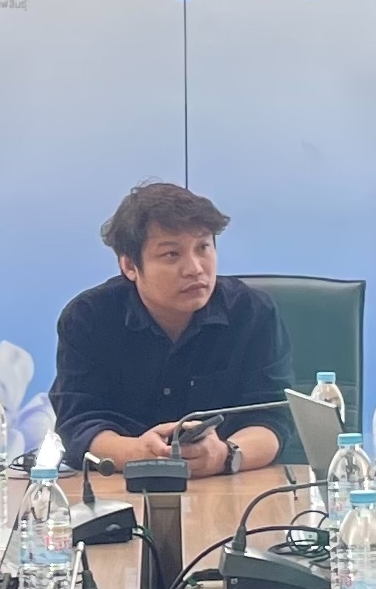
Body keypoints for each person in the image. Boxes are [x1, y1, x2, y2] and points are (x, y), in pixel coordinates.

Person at [51, 181, 288, 476]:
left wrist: (224, 455)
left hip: (228, 483)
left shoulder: (252, 313)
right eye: (171, 255)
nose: (195, 268)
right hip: (121, 486)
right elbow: (77, 424)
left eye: (203, 248)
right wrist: (138, 453)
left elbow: (273, 419)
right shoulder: (88, 318)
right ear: (129, 266)